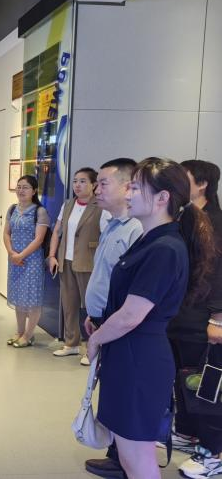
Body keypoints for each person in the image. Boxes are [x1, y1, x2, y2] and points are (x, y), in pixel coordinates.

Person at [86, 157, 215, 479]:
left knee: (137, 456)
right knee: (129, 454)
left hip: (139, 361)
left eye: (135, 188)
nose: (128, 194)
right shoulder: (151, 239)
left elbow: (132, 315)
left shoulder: (165, 248)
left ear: (162, 198)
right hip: (129, 355)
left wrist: (96, 339)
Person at [80, 159, 143, 479]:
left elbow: (134, 291)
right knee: (111, 391)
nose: (96, 189)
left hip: (119, 324)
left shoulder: (136, 230)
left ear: (127, 186)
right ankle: (117, 453)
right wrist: (93, 314)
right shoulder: (112, 224)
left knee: (122, 393)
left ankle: (124, 458)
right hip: (101, 319)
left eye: (103, 183)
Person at [169, 160, 222, 479]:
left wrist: (218, 318)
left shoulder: (215, 222)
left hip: (205, 318)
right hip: (182, 315)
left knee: (206, 385)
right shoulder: (186, 217)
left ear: (202, 184)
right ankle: (187, 433)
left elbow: (219, 275)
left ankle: (213, 452)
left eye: (183, 177)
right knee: (182, 379)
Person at [47, 167, 102, 361]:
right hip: (66, 261)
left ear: (94, 185)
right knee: (69, 305)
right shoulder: (68, 204)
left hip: (89, 263)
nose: (77, 185)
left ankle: (92, 348)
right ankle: (71, 343)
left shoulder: (100, 206)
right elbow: (57, 231)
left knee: (91, 308)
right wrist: (52, 255)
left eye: (83, 181)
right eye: (75, 181)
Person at [3, 175, 50, 348]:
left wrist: (20, 255)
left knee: (32, 299)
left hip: (32, 262)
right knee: (18, 296)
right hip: (14, 260)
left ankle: (29, 335)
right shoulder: (12, 209)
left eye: (26, 187)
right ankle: (19, 331)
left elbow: (39, 239)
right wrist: (11, 253)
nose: (21, 190)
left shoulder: (40, 211)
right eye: (19, 186)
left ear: (34, 191)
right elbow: (6, 233)